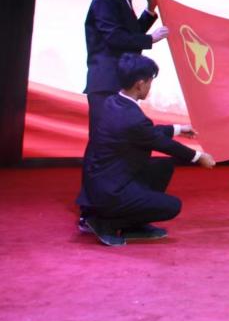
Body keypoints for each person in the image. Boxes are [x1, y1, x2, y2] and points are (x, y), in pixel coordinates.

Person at [77, 54, 215, 246]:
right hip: (109, 192)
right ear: (140, 84)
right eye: (150, 82)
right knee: (172, 206)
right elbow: (160, 142)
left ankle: (133, 225)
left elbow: (146, 133)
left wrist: (177, 129)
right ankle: (105, 223)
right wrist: (199, 157)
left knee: (162, 167)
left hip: (103, 182)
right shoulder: (132, 118)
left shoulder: (113, 102)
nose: (150, 87)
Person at [84, 0, 169, 133]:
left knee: (118, 136)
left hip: (118, 79)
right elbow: (114, 37)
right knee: (104, 137)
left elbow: (130, 32)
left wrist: (150, 10)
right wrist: (150, 39)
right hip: (107, 81)